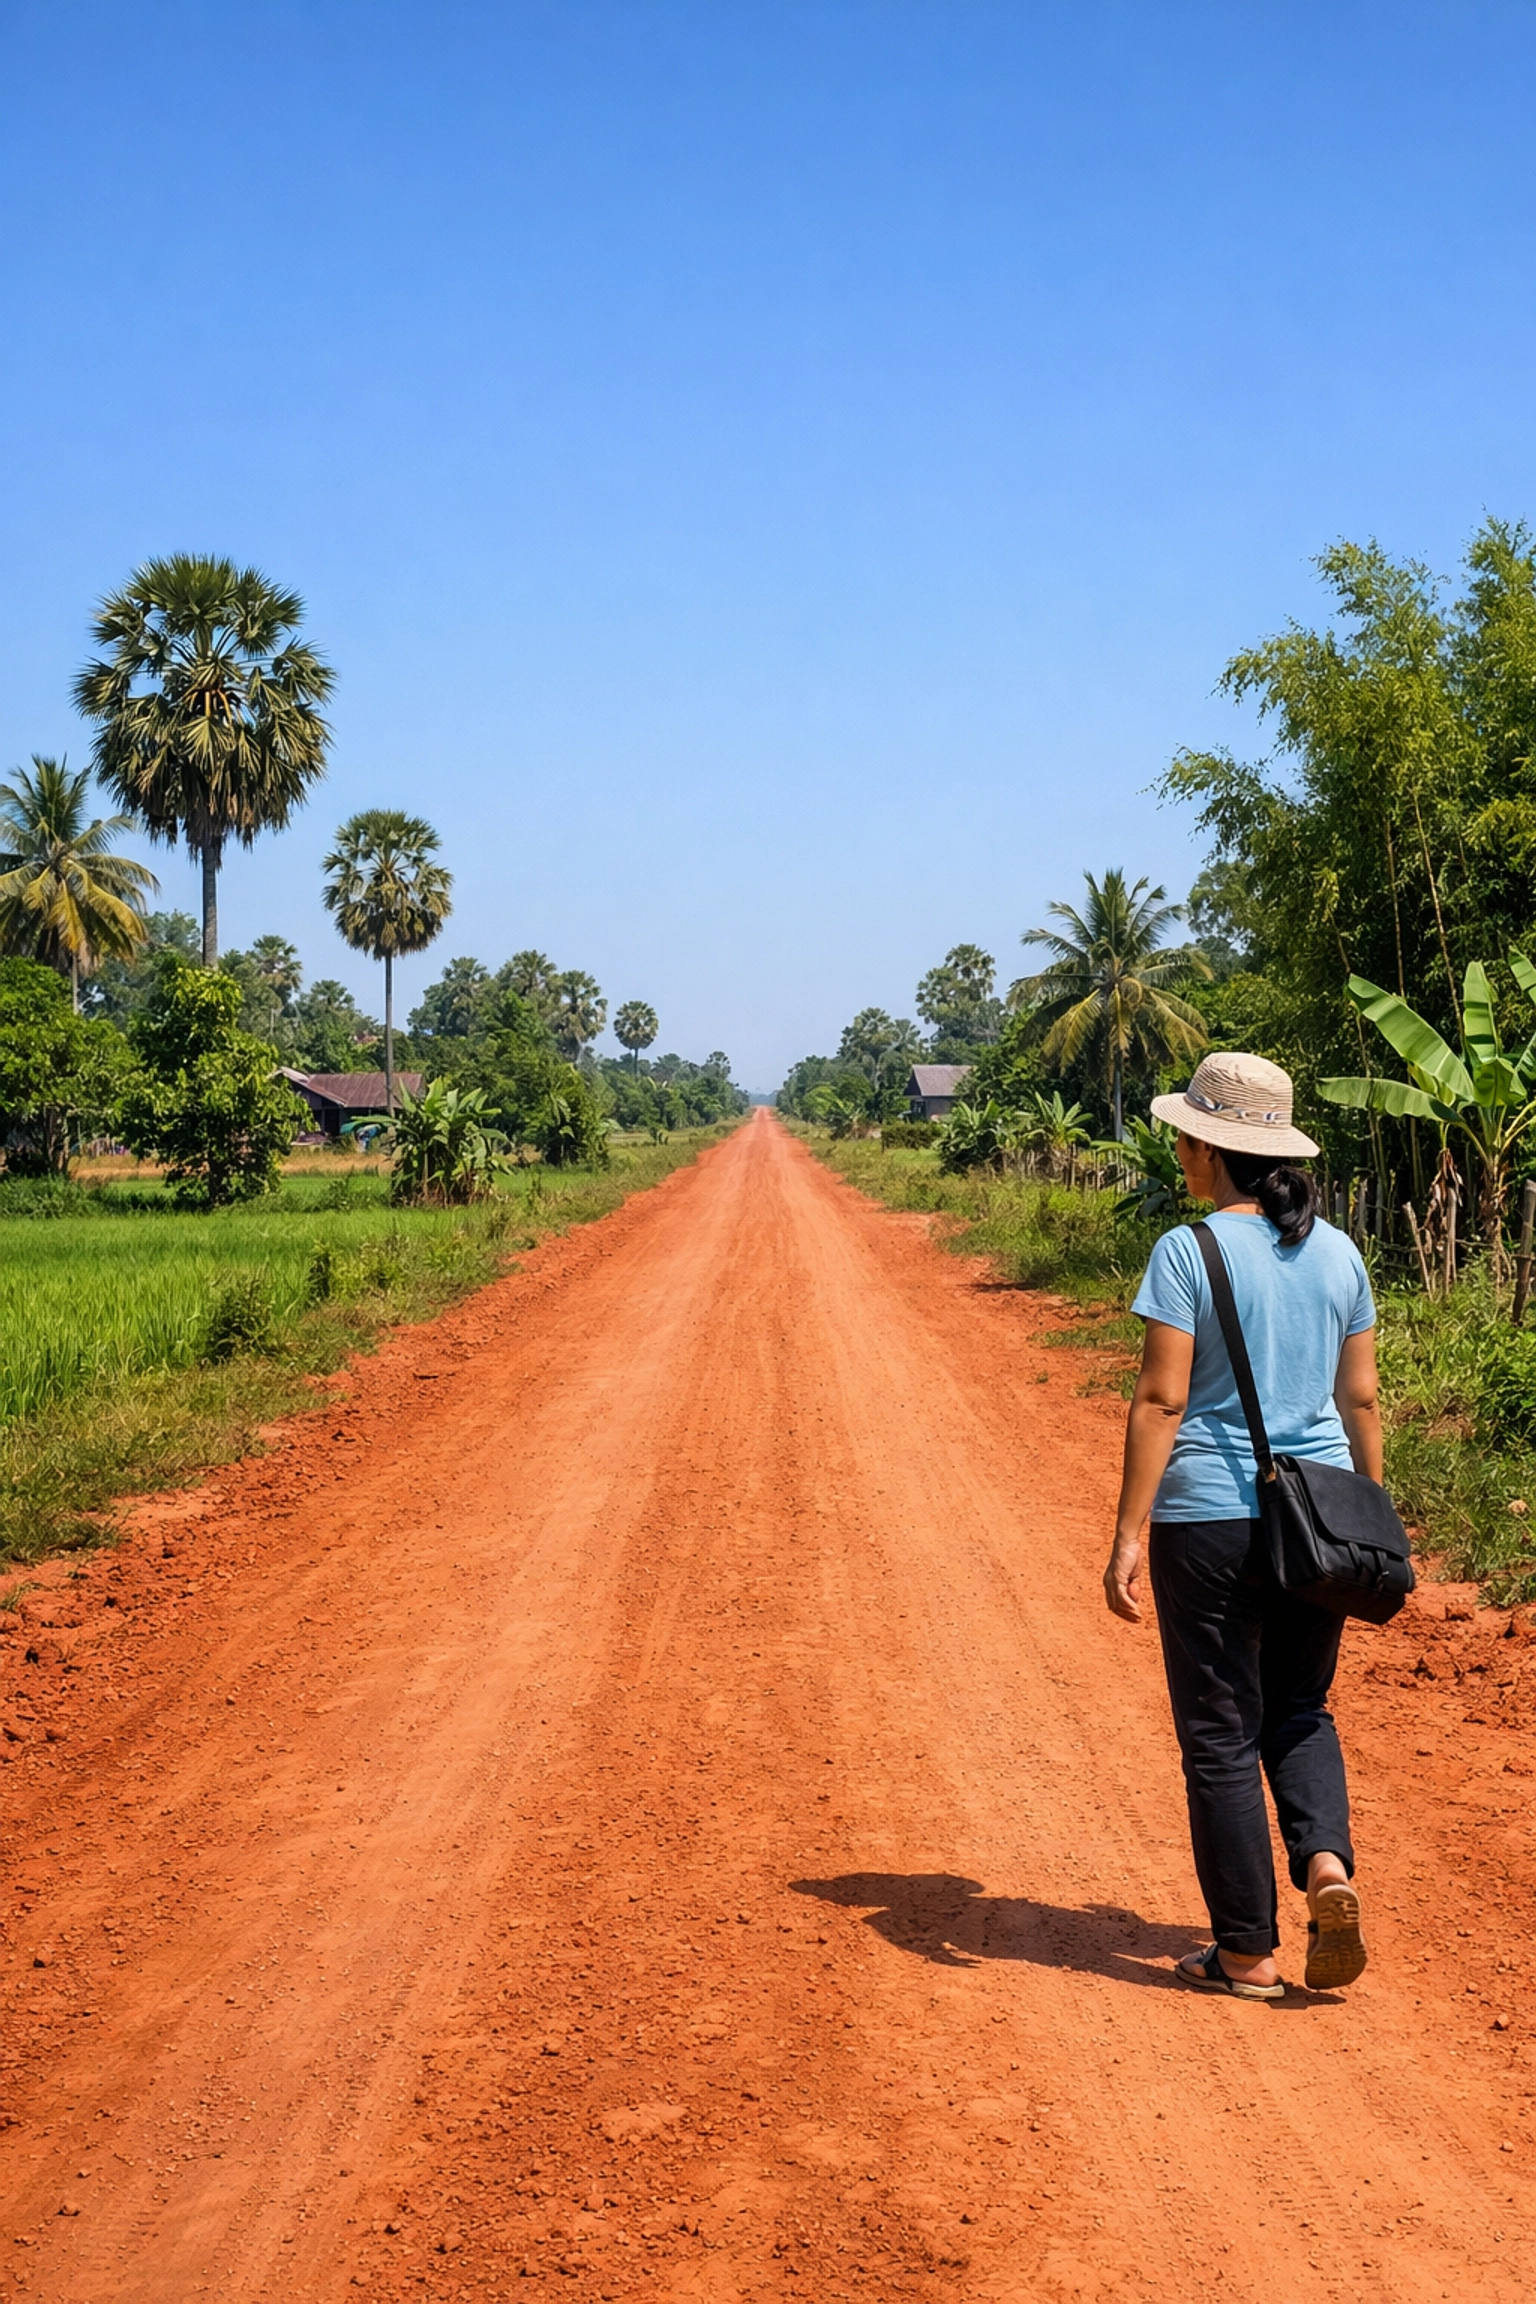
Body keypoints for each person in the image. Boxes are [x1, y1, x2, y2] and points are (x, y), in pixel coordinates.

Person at [1103, 1051, 1382, 2000]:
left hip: (1211, 1520)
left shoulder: (1188, 1251)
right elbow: (1363, 1400)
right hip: (1319, 1519)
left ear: (1200, 1148)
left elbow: (1160, 1398)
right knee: (1300, 1710)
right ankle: (1327, 1870)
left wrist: (1129, 1533)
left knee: (1220, 1732)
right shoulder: (1341, 1253)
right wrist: (1368, 1521)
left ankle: (1247, 1953)